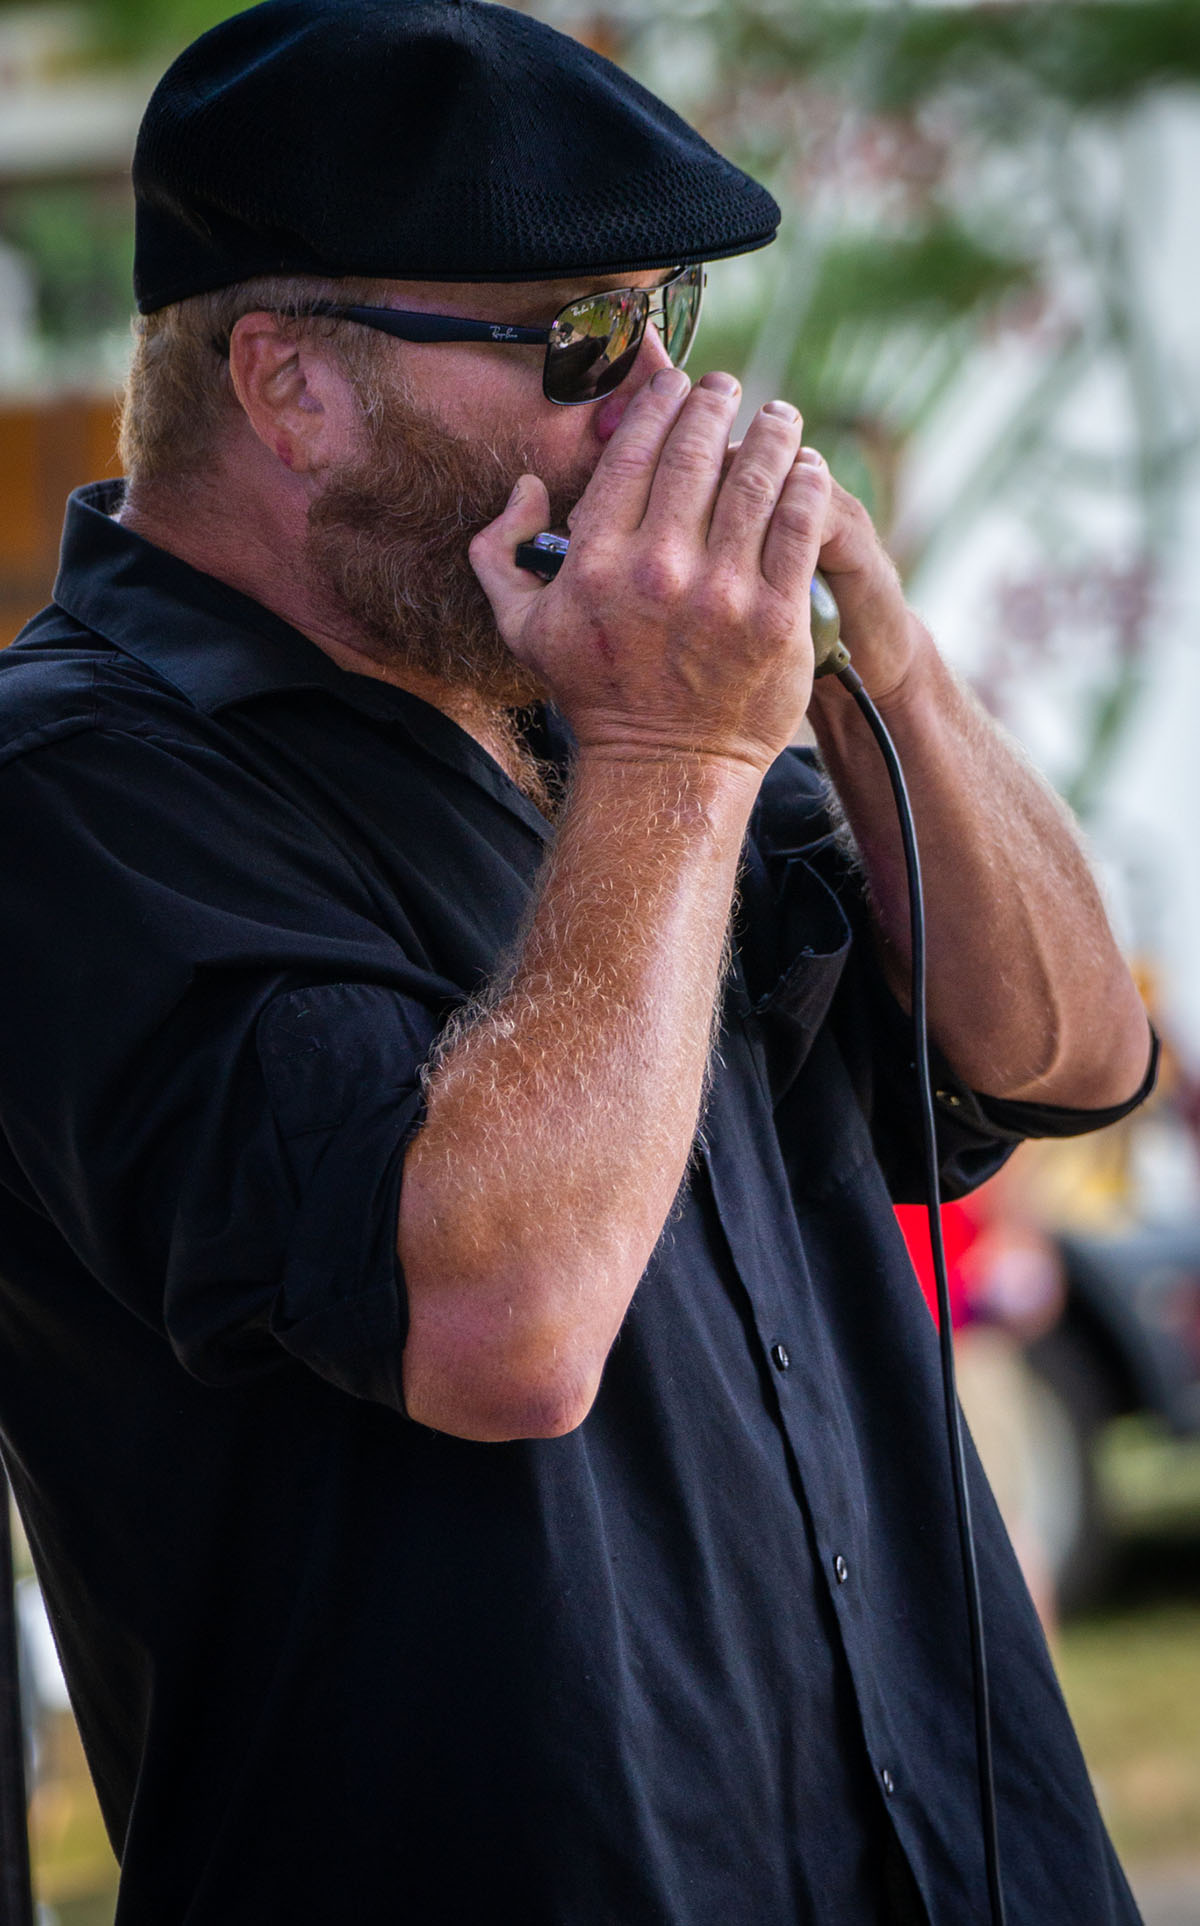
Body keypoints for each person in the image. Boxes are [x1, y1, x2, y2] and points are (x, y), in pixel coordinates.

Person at [0, 3, 1156, 1922]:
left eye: (669, 324)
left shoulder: (570, 702)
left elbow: (1064, 1052)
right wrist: (683, 755)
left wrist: (886, 655)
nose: (662, 415)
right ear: (289, 385)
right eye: (582, 342)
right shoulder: (75, 790)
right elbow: (499, 1322)